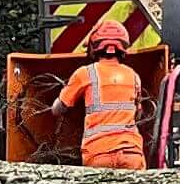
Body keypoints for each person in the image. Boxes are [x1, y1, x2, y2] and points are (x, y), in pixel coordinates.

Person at [52, 18, 152, 171]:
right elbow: (138, 115)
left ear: (94, 46)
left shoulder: (85, 73)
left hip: (98, 154)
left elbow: (57, 109)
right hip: (131, 154)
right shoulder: (133, 76)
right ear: (123, 47)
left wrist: (64, 93)